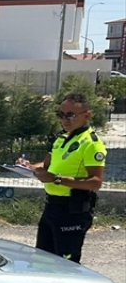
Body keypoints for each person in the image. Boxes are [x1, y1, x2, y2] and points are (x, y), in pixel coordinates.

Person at [18, 93, 106, 263]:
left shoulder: (91, 143)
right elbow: (46, 166)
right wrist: (28, 166)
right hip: (52, 205)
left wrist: (57, 179)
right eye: (61, 115)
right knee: (42, 261)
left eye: (70, 115)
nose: (65, 120)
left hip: (73, 209)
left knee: (66, 264)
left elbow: (96, 182)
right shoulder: (61, 138)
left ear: (87, 115)